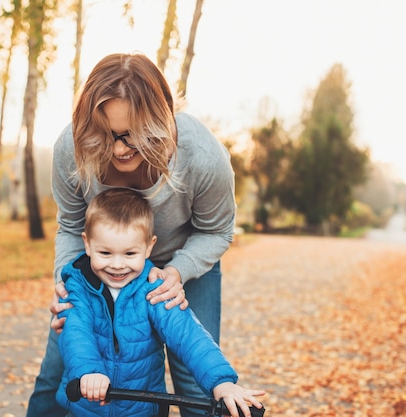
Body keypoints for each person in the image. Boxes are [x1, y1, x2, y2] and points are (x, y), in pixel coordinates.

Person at [26, 52, 237, 417]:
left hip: (184, 259)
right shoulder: (71, 148)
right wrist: (68, 283)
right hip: (100, 262)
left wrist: (175, 273)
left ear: (162, 119)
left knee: (193, 378)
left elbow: (217, 231)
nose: (120, 149)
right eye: (107, 136)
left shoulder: (201, 155)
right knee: (58, 367)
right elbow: (71, 226)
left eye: (132, 135)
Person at [56, 188, 264, 417]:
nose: (117, 264)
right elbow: (76, 333)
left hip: (143, 409)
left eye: (129, 254)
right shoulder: (77, 287)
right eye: (105, 253)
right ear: (87, 244)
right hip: (87, 408)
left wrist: (222, 382)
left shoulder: (154, 288)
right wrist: (88, 373)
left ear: (148, 247)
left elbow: (187, 334)